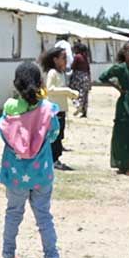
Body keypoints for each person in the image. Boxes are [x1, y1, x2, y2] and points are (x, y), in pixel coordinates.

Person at [0, 62, 69, 258]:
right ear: (40, 83)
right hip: (42, 173)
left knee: (13, 213)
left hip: (16, 174)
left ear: (16, 85)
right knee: (44, 216)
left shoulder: (10, 107)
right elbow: (54, 134)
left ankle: (7, 256)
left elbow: (3, 133)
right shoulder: (47, 109)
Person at [99, 41, 129, 176]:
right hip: (126, 102)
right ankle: (123, 163)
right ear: (125, 53)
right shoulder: (120, 68)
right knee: (124, 133)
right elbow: (102, 77)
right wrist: (117, 87)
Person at [41, 42, 79, 170]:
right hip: (54, 110)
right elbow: (50, 89)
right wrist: (67, 91)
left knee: (60, 135)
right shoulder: (52, 73)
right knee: (54, 137)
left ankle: (55, 158)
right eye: (63, 57)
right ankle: (53, 159)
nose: (65, 60)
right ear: (55, 59)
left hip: (61, 109)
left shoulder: (61, 73)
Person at [69, 43, 92, 118]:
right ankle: (84, 112)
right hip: (86, 76)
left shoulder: (77, 57)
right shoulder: (85, 58)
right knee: (85, 94)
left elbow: (73, 66)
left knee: (73, 92)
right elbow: (88, 69)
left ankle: (78, 105)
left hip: (78, 76)